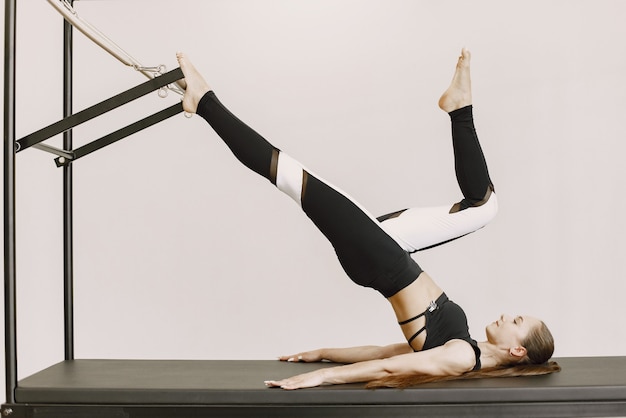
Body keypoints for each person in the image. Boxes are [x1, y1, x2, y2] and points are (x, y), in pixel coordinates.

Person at [176, 49, 558, 390]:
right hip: (387, 253)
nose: (509, 314)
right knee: (484, 208)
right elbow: (382, 351)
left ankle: (204, 101)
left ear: (517, 348)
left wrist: (322, 376)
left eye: (517, 319)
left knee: (289, 174)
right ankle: (459, 108)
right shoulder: (467, 347)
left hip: (381, 260)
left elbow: (391, 368)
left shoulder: (460, 356)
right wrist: (323, 353)